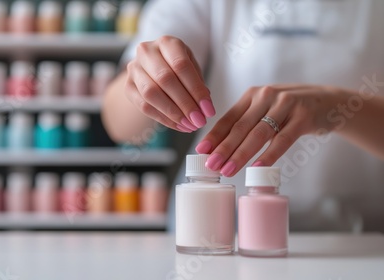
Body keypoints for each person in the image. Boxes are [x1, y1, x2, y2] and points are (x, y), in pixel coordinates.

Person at [102, 0, 384, 232]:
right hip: (216, 229)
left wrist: (337, 109)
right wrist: (146, 82)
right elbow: (120, 127)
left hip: (362, 235)